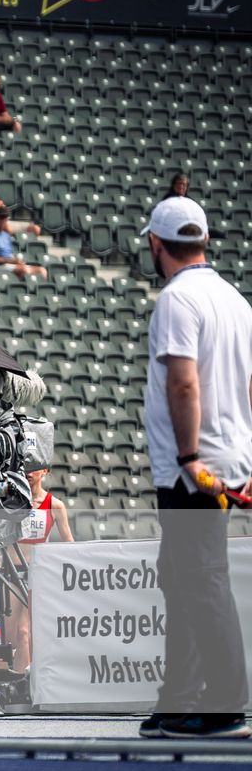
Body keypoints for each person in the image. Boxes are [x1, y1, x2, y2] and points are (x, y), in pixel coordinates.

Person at [139, 197, 252, 740]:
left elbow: (182, 380)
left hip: (193, 465)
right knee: (182, 575)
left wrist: (188, 457)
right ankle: (179, 694)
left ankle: (226, 701)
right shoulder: (234, 299)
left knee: (199, 577)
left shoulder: (177, 299)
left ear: (157, 245)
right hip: (227, 456)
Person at [5, 463, 73, 676]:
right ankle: (18, 675)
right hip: (11, 571)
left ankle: (20, 680)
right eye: (26, 467)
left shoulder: (55, 505)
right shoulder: (10, 502)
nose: (29, 473)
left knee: (25, 631)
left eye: (36, 468)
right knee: (11, 636)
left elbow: (68, 541)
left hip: (37, 573)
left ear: (45, 471)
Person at [0, 207, 48, 279]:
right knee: (24, 270)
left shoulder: (6, 235)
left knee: (42, 270)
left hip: (9, 264)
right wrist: (10, 261)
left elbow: (9, 254)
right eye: (0, 218)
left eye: (4, 218)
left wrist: (17, 261)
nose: (2, 220)